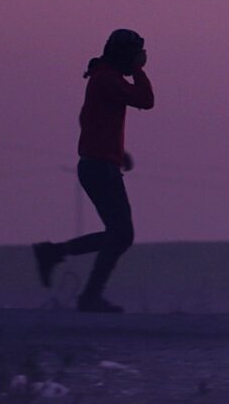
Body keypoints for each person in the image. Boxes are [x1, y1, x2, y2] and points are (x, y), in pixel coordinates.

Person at [33, 28, 154, 313]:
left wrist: (115, 150)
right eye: (135, 54)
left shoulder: (104, 78)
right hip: (99, 168)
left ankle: (56, 255)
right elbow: (146, 100)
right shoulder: (107, 80)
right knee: (121, 233)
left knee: (119, 233)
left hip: (100, 164)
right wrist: (139, 70)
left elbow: (86, 118)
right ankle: (87, 294)